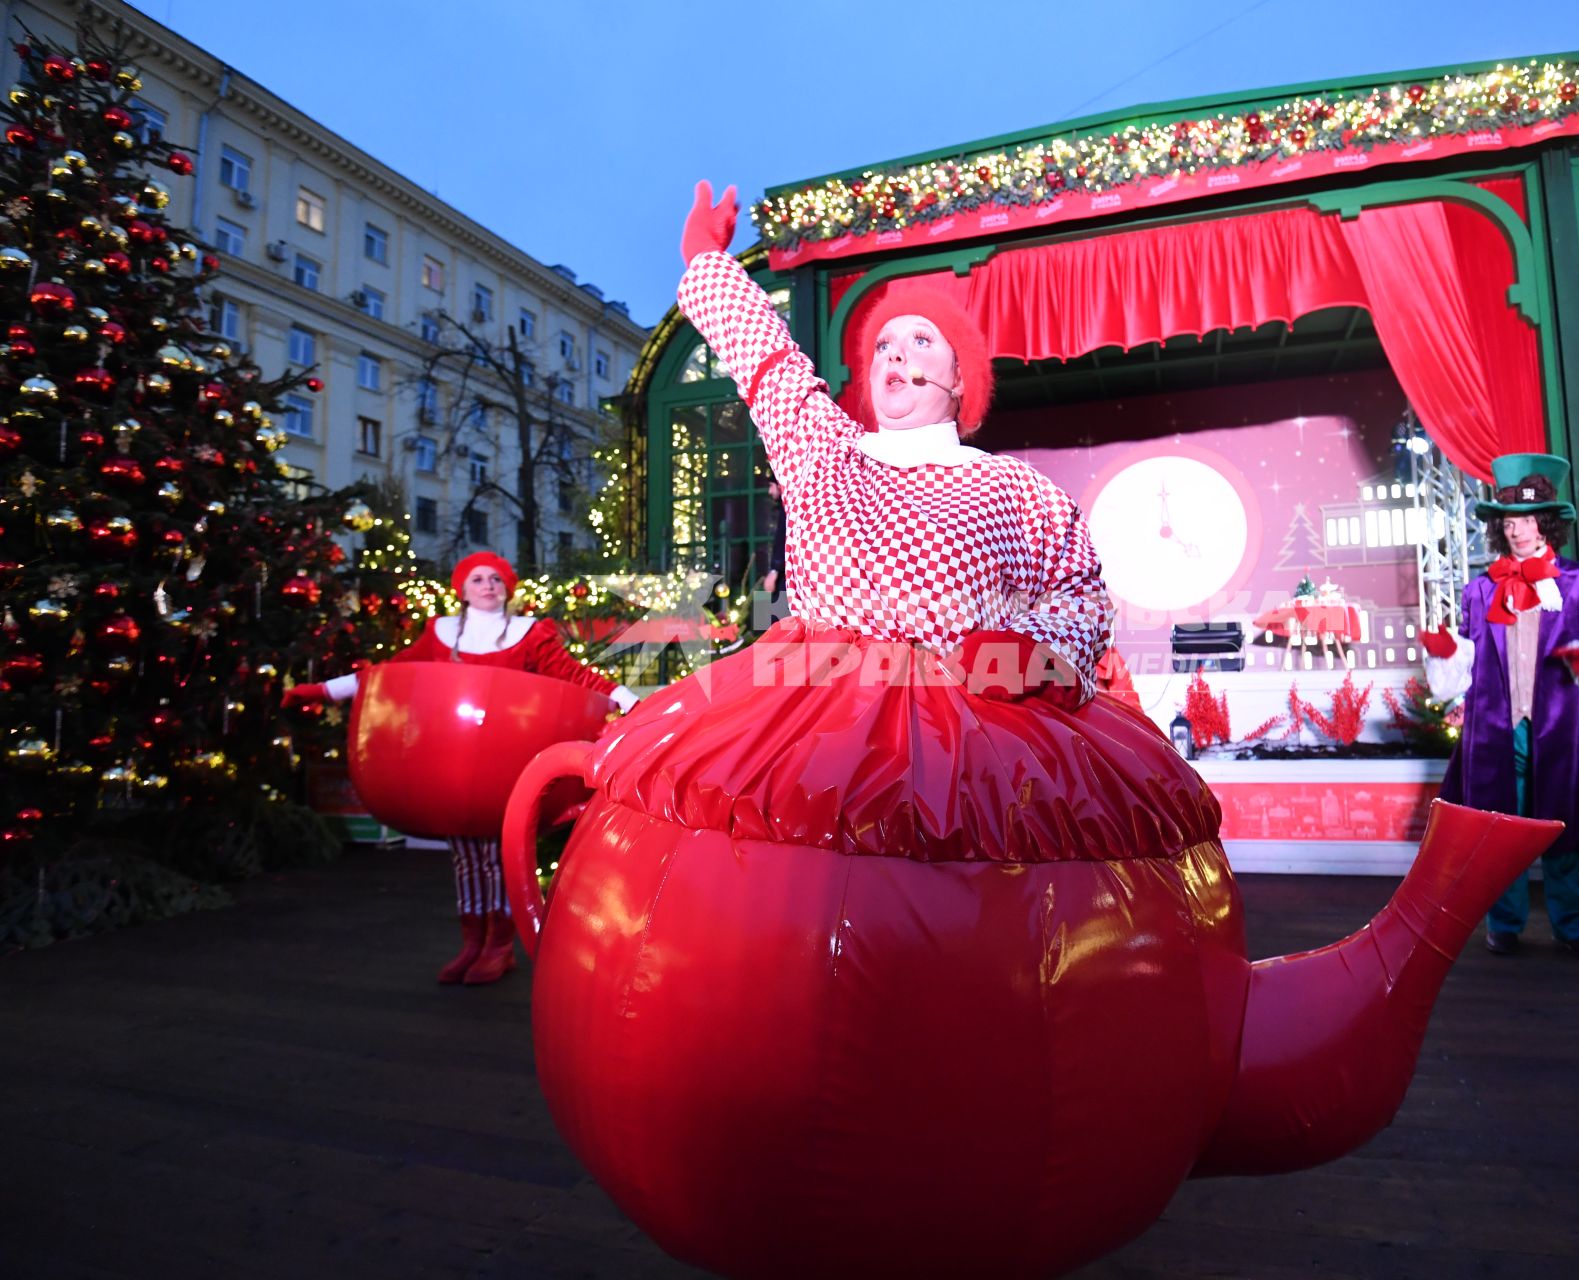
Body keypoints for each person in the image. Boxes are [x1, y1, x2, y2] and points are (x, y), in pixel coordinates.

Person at [672, 181, 1109, 707]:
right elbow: (770, 362)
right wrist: (707, 261)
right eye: (883, 346)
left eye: (920, 341)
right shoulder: (823, 450)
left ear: (961, 377)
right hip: (823, 731)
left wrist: (1031, 652)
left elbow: (1079, 593)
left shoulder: (1013, 487)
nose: (895, 355)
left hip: (972, 738)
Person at [282, 550, 642, 985]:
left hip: (507, 763)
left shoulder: (530, 634)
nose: (488, 586)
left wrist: (633, 703)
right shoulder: (441, 635)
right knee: (467, 858)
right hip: (457, 764)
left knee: (496, 855)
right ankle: (473, 940)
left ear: (507, 587)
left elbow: (576, 676)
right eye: (478, 579)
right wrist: (323, 690)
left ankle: (500, 944)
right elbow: (391, 672)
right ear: (463, 589)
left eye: (496, 579)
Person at [1419, 454, 1579, 961]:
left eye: (1524, 519)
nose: (1515, 529)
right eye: (1507, 520)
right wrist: (1450, 652)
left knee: (1567, 830)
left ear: (1547, 523)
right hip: (1496, 729)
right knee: (1498, 836)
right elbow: (1472, 649)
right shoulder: (1481, 589)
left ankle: (1576, 928)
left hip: (1566, 727)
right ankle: (1504, 925)